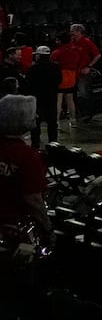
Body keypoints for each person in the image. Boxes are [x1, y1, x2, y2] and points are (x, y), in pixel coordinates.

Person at [0, 95, 52, 249]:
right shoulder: (26, 156)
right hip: (10, 228)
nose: (35, 116)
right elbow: (33, 200)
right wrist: (48, 230)